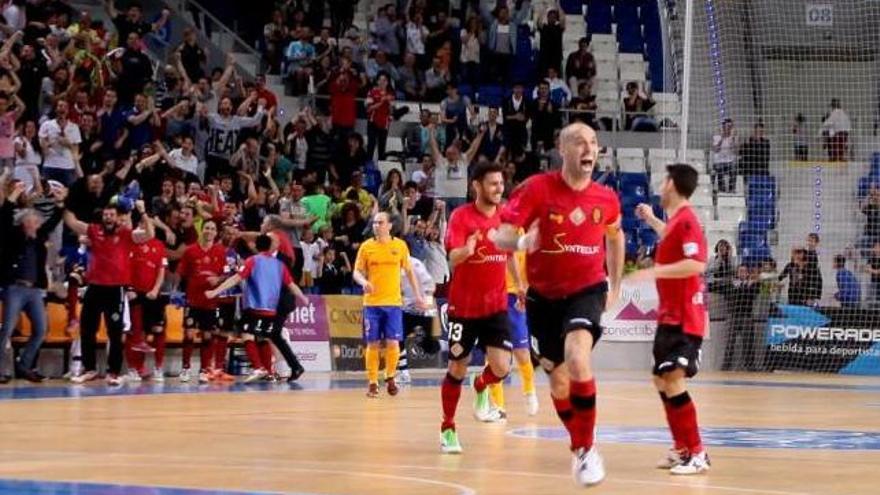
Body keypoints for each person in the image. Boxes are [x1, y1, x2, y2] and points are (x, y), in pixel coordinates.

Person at [490, 123, 625, 486]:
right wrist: (521, 244)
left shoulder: (606, 198)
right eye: (580, 142)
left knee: (579, 357)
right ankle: (581, 446)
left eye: (594, 143)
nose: (589, 148)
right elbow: (500, 233)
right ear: (561, 149)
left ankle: (586, 449)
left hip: (587, 289)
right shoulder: (537, 188)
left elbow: (615, 236)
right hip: (542, 297)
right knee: (559, 380)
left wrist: (615, 283)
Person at [629, 163, 710, 475]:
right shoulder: (676, 222)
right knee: (661, 379)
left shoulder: (688, 220)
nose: (660, 186)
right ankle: (681, 448)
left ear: (673, 184)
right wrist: (651, 219)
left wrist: (654, 271)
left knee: (673, 378)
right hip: (669, 316)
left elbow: (696, 264)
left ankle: (698, 453)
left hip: (685, 318)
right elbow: (672, 238)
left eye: (664, 181)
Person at [439, 162, 517, 453]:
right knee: (457, 367)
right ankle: (448, 427)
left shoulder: (506, 217)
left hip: (496, 305)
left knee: (501, 367)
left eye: (501, 183)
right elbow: (452, 258)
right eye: (493, 184)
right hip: (463, 307)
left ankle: (482, 385)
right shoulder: (461, 217)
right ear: (477, 186)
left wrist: (519, 286)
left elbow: (508, 255)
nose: (499, 189)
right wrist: (467, 251)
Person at [63, 198, 155, 385]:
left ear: (117, 217)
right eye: (106, 215)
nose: (108, 217)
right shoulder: (94, 231)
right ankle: (90, 370)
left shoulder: (126, 234)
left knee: (115, 332)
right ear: (102, 217)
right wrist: (63, 202)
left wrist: (143, 212)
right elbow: (72, 222)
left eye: (112, 215)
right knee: (87, 329)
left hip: (115, 290)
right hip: (94, 287)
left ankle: (113, 372)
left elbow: (150, 233)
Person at [206, 234, 309, 381]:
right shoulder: (279, 265)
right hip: (272, 310)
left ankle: (258, 368)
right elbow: (292, 285)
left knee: (246, 333)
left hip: (255, 308)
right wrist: (303, 297)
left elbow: (236, 279)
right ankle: (276, 369)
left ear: (256, 246)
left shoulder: (252, 261)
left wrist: (215, 291)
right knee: (265, 336)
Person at [353, 211, 427, 397]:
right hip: (372, 304)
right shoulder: (366, 247)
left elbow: (410, 272)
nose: (377, 225)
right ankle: (372, 382)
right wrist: (364, 282)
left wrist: (418, 295)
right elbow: (356, 272)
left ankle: (390, 376)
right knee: (373, 344)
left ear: (389, 225)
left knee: (393, 343)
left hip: (393, 303)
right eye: (375, 222)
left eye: (380, 222)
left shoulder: (400, 246)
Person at [0, 183, 65, 383]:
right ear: (24, 223)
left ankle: (24, 365)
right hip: (15, 287)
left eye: (37, 220)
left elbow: (53, 220)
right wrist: (13, 197)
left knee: (40, 329)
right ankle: (2, 370)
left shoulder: (40, 237)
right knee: (7, 330)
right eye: (32, 220)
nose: (36, 223)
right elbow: (3, 219)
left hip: (35, 289)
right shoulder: (13, 236)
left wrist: (60, 203)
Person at [176, 220, 227, 383]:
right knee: (189, 334)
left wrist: (218, 279)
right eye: (207, 228)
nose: (209, 231)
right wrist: (176, 291)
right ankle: (185, 368)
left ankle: (204, 369)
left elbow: (226, 275)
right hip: (192, 300)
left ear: (216, 233)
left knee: (207, 336)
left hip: (211, 301)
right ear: (201, 230)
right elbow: (181, 273)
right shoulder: (190, 251)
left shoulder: (220, 252)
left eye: (212, 228)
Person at [711, 118, 736, 193]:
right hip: (719, 161)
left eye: (730, 126)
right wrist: (722, 138)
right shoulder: (717, 137)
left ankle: (732, 189)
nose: (728, 128)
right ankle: (722, 189)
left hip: (729, 161)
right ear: (723, 127)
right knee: (720, 169)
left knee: (733, 169)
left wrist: (732, 139)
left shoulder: (734, 137)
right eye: (727, 126)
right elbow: (716, 150)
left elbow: (736, 151)